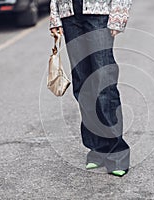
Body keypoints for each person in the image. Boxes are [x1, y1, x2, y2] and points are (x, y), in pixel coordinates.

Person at [49, 0, 132, 177]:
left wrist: (118, 16)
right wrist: (55, 17)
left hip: (98, 14)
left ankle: (118, 153)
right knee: (83, 84)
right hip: (70, 16)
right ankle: (98, 147)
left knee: (104, 82)